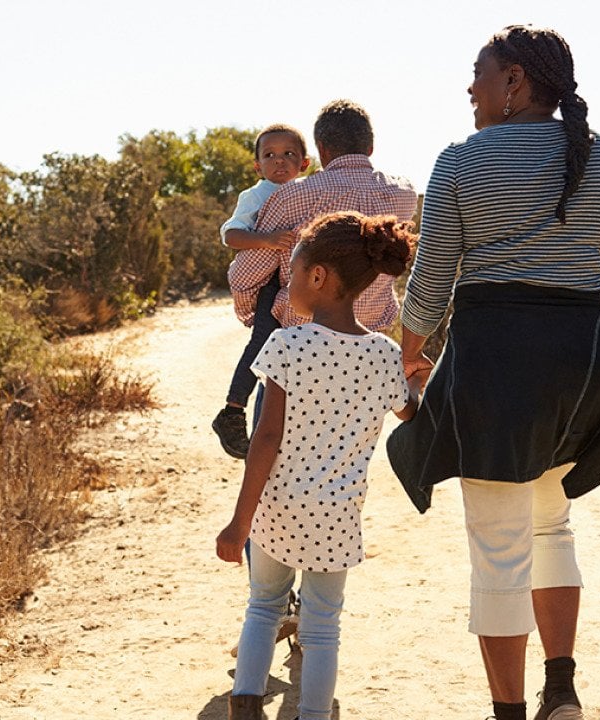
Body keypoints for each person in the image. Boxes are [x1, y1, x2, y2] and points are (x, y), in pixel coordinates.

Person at [387, 25, 600, 720]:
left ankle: (507, 713)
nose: (469, 88)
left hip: (495, 367)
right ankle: (561, 692)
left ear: (514, 81)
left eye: (478, 73)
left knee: (500, 548)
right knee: (551, 528)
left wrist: (409, 352)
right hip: (582, 367)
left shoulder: (460, 162)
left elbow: (431, 284)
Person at [216, 212, 424, 720]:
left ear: (318, 276)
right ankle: (312, 713)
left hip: (278, 508)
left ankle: (245, 706)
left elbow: (266, 438)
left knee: (264, 607)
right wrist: (418, 380)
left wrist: (240, 521)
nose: (287, 280)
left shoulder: (285, 344)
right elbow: (409, 412)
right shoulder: (383, 355)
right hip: (336, 516)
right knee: (323, 625)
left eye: (292, 269)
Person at [212, 124, 312, 459]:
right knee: (263, 347)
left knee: (285, 357)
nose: (279, 162)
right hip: (271, 283)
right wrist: (267, 239)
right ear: (257, 166)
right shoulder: (256, 195)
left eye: (289, 155)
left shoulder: (308, 191)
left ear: (305, 163)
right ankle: (232, 409)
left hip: (297, 284)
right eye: (269, 155)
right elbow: (231, 236)